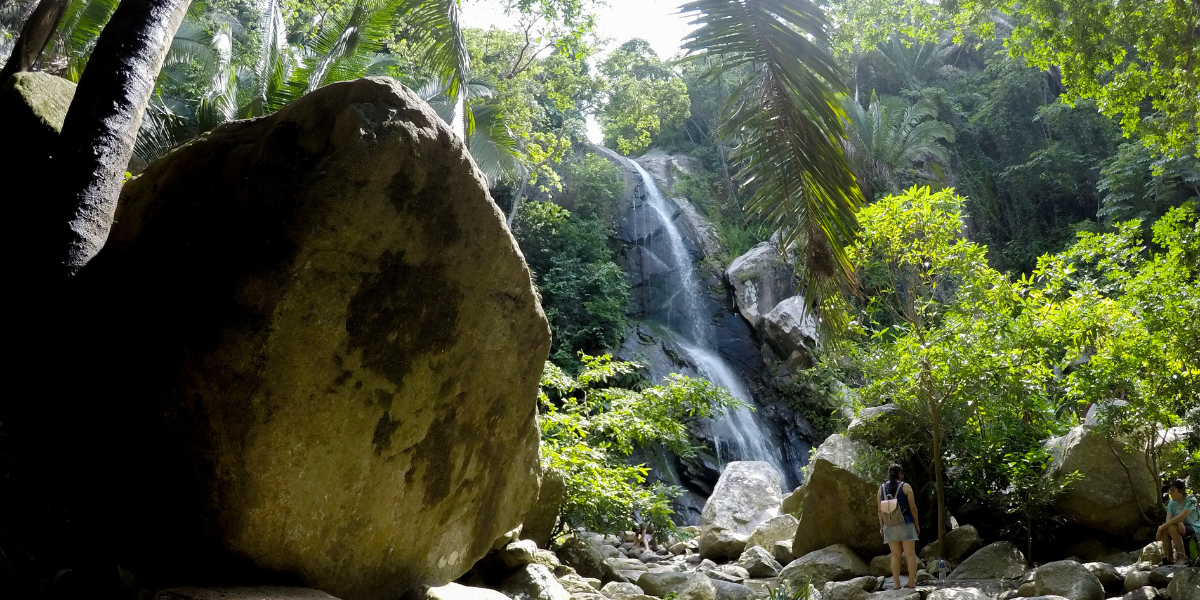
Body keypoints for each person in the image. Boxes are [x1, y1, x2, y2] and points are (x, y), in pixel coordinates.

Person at [877, 463, 920, 589]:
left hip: (889, 525)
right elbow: (913, 508)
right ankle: (911, 582)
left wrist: (881, 525)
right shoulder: (906, 487)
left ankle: (896, 584)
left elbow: (880, 510)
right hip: (906, 523)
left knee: (895, 555)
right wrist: (916, 524)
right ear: (900, 473)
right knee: (910, 554)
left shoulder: (881, 489)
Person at [1158, 478, 1198, 565]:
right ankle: (1169, 558)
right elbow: (1168, 520)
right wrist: (1179, 522)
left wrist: (1160, 528)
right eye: (1169, 490)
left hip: (1195, 527)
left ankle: (1182, 557)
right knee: (1167, 529)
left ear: (1181, 490)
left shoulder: (1191, 500)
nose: (1170, 492)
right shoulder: (1172, 502)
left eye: (1172, 490)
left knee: (1171, 527)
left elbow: (1181, 516)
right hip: (1181, 527)